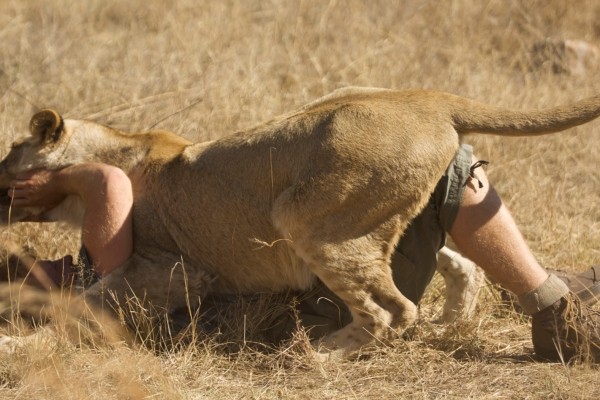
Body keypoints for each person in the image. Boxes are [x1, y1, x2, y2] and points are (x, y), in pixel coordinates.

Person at [6, 144, 600, 362]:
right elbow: (108, 181)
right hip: (319, 304)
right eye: (25, 267)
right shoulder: (100, 289)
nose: (42, 257)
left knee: (389, 171)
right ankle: (550, 307)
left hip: (311, 290)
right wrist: (52, 182)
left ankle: (550, 282)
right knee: (447, 163)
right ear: (30, 294)